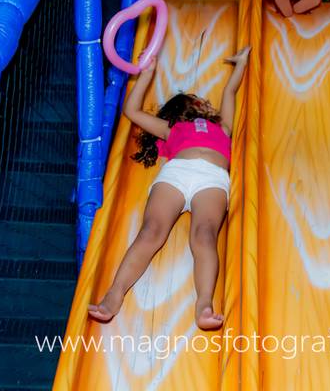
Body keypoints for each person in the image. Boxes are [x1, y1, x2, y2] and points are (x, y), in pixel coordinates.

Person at [88, 46, 251, 330]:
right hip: (176, 174)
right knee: (151, 231)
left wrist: (241, 64)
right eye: (200, 101)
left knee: (204, 235)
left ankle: (204, 304)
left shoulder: (224, 127)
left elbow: (229, 91)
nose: (207, 103)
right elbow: (132, 111)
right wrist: (147, 73)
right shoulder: (171, 129)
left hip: (212, 179)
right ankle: (114, 294)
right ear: (188, 108)